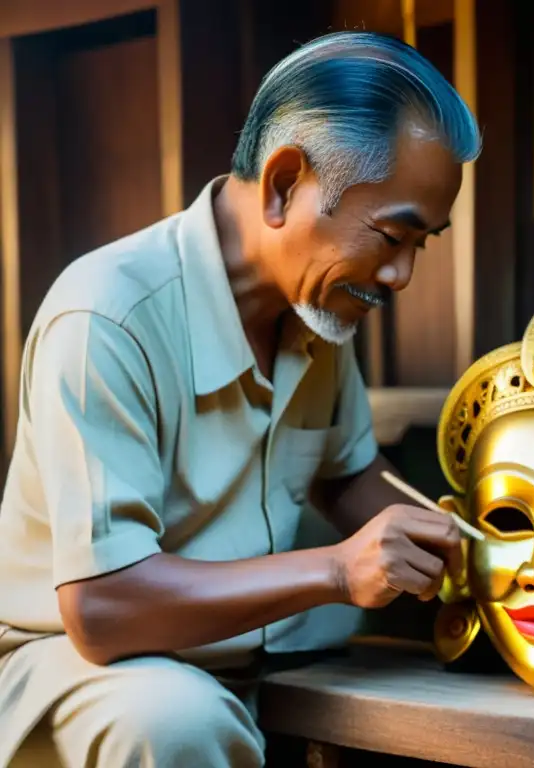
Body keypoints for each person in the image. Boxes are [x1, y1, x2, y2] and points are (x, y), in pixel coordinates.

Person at [0, 31, 481, 767]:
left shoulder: (318, 310)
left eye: (425, 244)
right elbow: (102, 607)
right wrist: (336, 570)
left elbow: (348, 475)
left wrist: (471, 549)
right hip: (79, 665)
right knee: (171, 720)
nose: (402, 276)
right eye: (390, 236)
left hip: (260, 654)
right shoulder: (106, 315)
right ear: (286, 182)